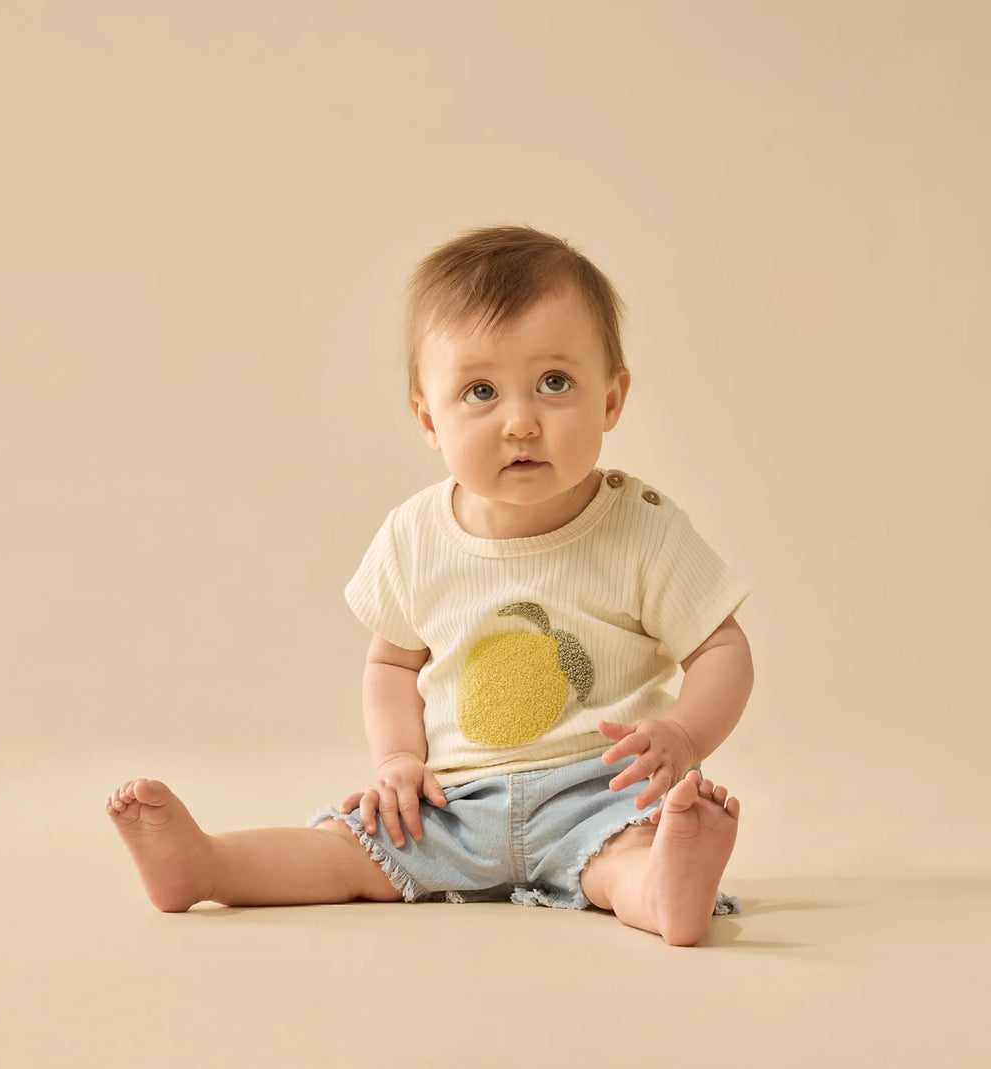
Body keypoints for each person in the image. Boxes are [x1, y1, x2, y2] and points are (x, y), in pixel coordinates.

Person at [106, 224, 754, 946]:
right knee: (347, 851)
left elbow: (721, 649)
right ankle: (208, 866)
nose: (520, 422)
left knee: (623, 858)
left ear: (611, 398)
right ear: (428, 419)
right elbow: (391, 663)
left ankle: (664, 888)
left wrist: (683, 733)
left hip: (597, 795)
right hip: (450, 802)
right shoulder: (415, 536)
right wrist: (397, 762)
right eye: (481, 391)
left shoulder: (644, 530)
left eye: (555, 383)